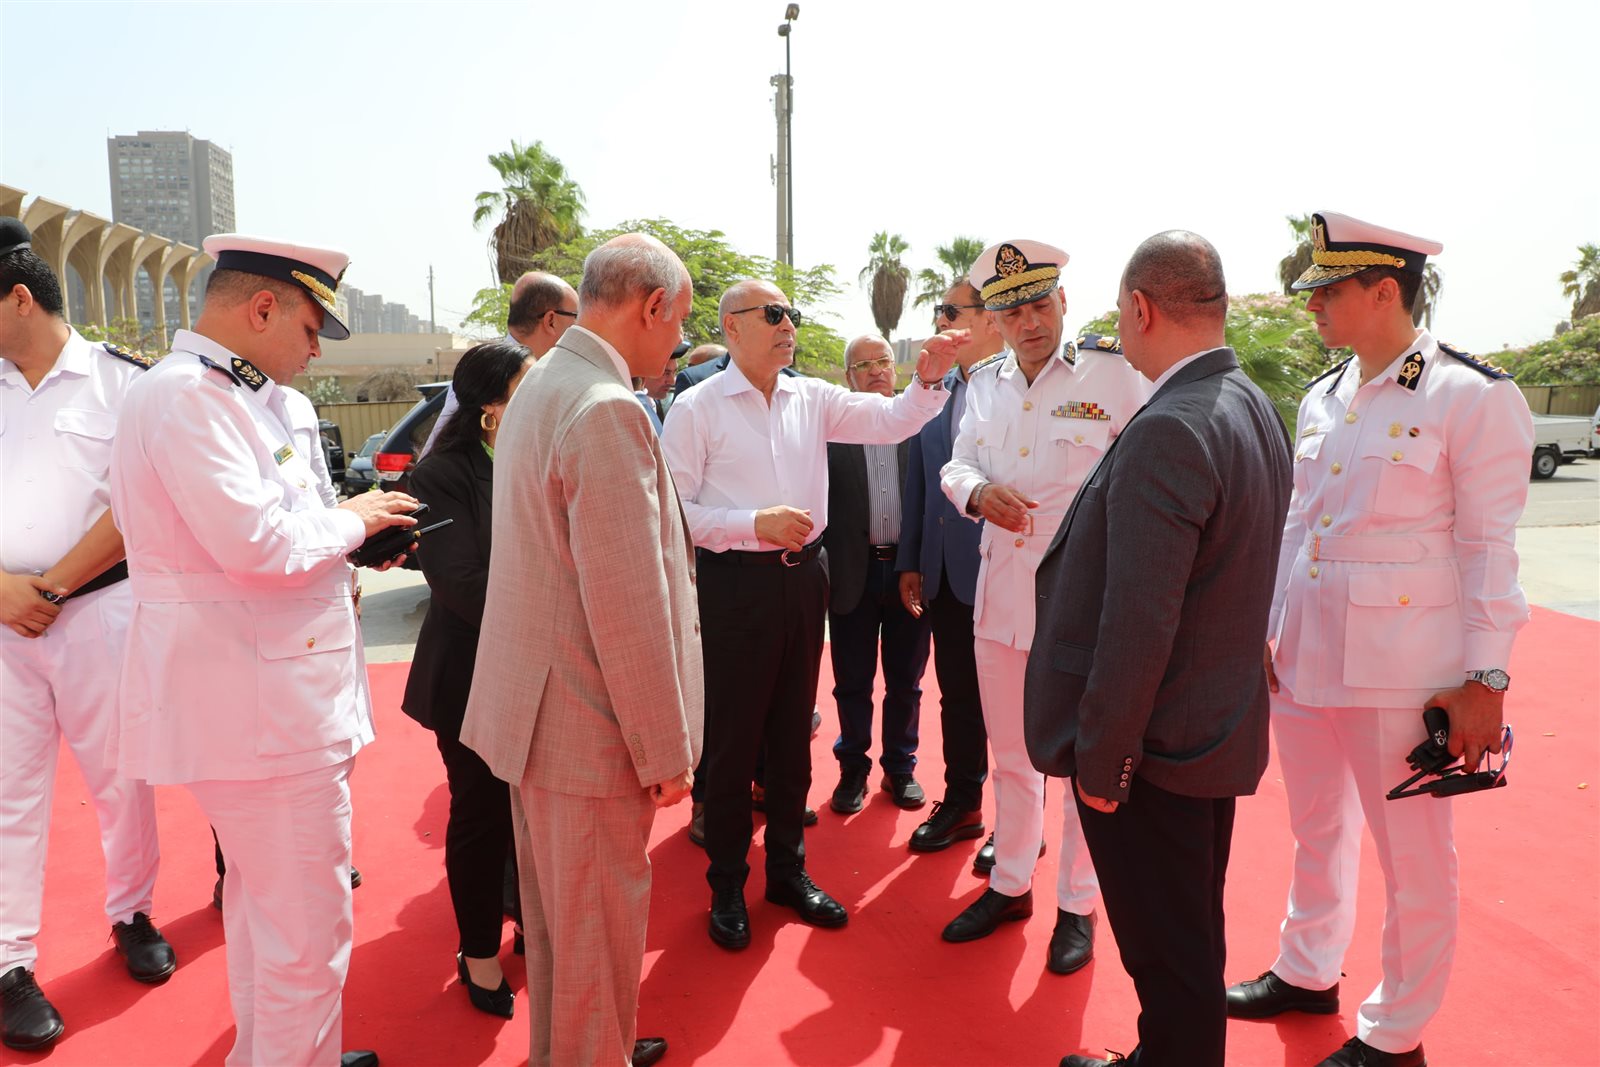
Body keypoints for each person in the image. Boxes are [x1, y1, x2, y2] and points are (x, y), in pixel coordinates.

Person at [1227, 212, 1533, 1067]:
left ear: (1384, 290)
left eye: (1328, 289)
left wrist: (1487, 677)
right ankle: (1306, 968)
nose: (1312, 305)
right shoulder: (1324, 395)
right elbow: (1297, 524)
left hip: (1402, 669)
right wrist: (1268, 629)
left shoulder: (1470, 395)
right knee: (1316, 828)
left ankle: (1396, 1033)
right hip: (1308, 656)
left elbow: (1489, 548)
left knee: (1414, 857)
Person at [109, 233, 420, 1067]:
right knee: (308, 945)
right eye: (312, 329)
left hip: (277, 701)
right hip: (260, 713)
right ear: (261, 308)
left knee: (266, 917)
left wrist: (356, 540)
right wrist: (355, 519)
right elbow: (255, 543)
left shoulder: (254, 398)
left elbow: (290, 531)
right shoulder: (189, 397)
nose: (316, 350)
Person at [1026, 231, 1292, 1067]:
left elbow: (1139, 619)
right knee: (1189, 937)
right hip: (1210, 729)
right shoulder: (1249, 402)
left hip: (1154, 751)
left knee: (1170, 959)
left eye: (1118, 311)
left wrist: (1103, 760)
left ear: (1140, 308)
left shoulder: (1170, 425)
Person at [459, 234, 700, 1067]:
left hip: (540, 716)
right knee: (594, 953)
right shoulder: (605, 406)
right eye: (680, 322)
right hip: (591, 729)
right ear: (652, 306)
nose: (679, 342)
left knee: (566, 943)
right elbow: (628, 605)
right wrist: (666, 750)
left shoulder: (542, 381)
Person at [661, 278, 956, 951]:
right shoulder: (697, 407)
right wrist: (752, 523)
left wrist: (928, 380)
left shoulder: (813, 397)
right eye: (773, 314)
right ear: (732, 327)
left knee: (794, 735)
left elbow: (891, 420)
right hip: (734, 585)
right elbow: (674, 513)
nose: (788, 324)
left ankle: (787, 872)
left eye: (791, 313)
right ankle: (727, 885)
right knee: (735, 742)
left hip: (805, 581)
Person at [937, 239, 1150, 974]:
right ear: (994, 321)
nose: (1028, 323)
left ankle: (1077, 905)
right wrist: (974, 493)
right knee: (1012, 757)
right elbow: (958, 459)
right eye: (1011, 313)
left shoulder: (1112, 374)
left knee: (1082, 761)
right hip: (1000, 597)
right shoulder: (985, 382)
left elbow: (1147, 469)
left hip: (1082, 603)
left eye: (1038, 305)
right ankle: (1010, 883)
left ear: (1062, 301)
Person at [0, 218, 173, 1052]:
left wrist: (55, 586)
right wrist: (5, 591)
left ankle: (132, 912)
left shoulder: (121, 382)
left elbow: (140, 503)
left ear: (18, 298)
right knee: (8, 794)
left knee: (121, 777)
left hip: (99, 610)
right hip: (2, 619)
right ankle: (9, 963)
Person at [401, 340, 533, 1020]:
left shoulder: (540, 456)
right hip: (472, 675)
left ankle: (533, 921)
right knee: (482, 814)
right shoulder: (440, 475)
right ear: (491, 408)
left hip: (541, 671)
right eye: (528, 386)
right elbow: (461, 584)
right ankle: (479, 951)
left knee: (536, 815)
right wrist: (555, 614)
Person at [899, 281, 1005, 871]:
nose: (941, 320)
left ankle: (1019, 825)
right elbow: (920, 478)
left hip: (1005, 570)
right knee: (958, 696)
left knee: (1012, 704)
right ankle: (964, 803)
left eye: (951, 311)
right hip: (945, 572)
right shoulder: (937, 390)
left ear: (990, 319)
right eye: (939, 311)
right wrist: (913, 559)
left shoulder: (1021, 385)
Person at [822, 335, 932, 814]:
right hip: (853, 572)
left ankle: (899, 767)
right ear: (849, 377)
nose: (875, 370)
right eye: (863, 364)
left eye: (883, 361)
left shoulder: (922, 423)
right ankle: (853, 769)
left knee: (906, 679)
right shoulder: (832, 430)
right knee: (852, 681)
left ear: (896, 368)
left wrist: (921, 562)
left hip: (910, 572)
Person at [423, 271, 577, 455]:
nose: (579, 326)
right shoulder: (484, 371)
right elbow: (437, 457)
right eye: (576, 316)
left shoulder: (551, 372)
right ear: (550, 320)